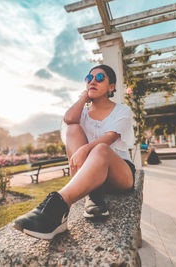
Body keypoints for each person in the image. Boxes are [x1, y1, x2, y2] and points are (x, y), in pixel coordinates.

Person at [13, 64, 136, 240]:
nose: (92, 81)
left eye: (99, 78)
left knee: (101, 148)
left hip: (120, 174)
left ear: (111, 87)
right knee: (72, 129)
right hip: (92, 175)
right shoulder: (83, 112)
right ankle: (91, 196)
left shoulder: (122, 111)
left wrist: (85, 149)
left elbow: (109, 139)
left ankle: (56, 207)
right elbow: (69, 119)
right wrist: (82, 99)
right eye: (89, 78)